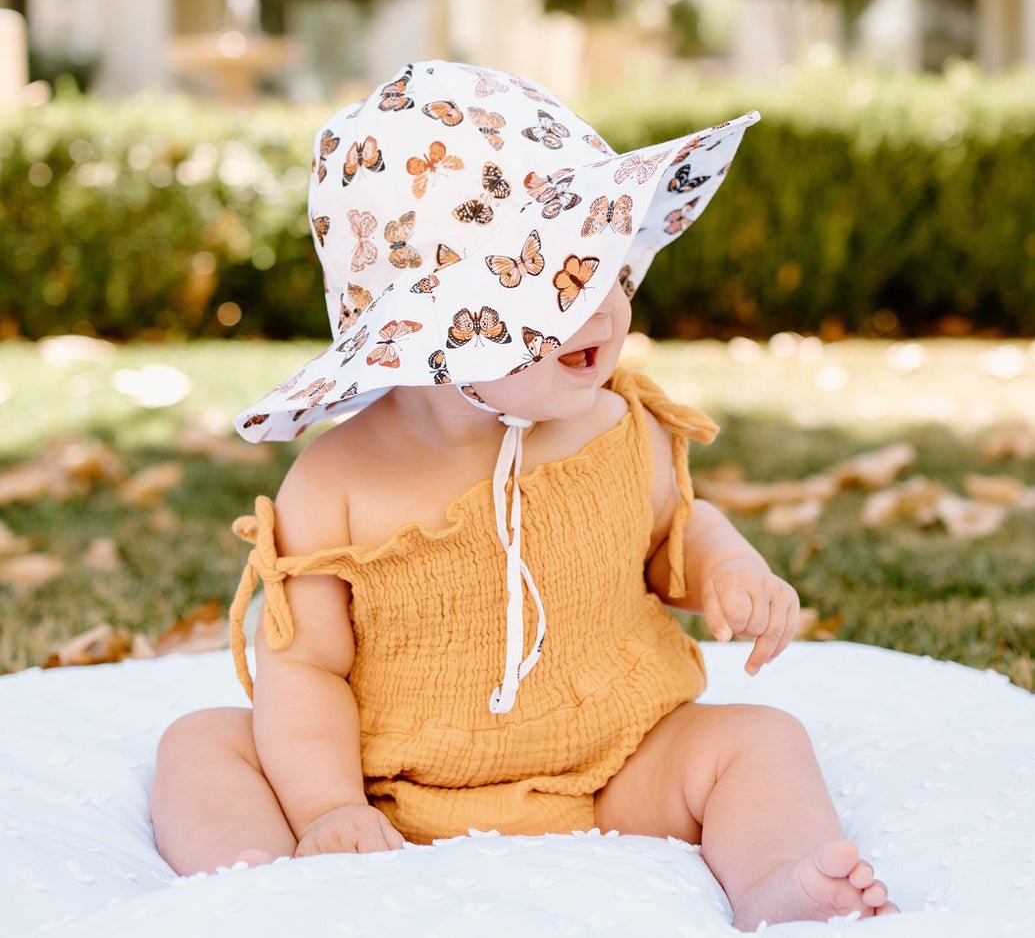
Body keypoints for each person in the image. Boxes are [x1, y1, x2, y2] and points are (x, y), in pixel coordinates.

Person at [150, 60, 897, 930]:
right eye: (547, 288)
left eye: (605, 265)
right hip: (385, 790)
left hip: (613, 764)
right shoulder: (337, 482)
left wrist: (724, 568)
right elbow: (304, 663)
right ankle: (266, 892)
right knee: (201, 745)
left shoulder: (618, 426)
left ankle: (773, 876)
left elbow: (672, 532)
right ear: (425, 330)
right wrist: (325, 805)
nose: (601, 312)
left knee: (760, 739)